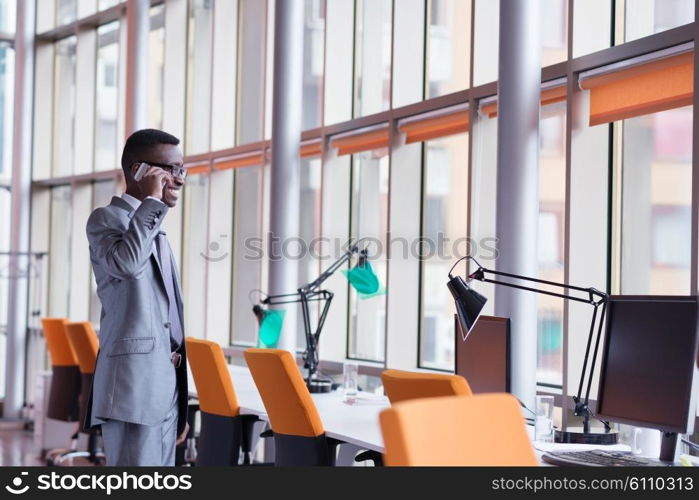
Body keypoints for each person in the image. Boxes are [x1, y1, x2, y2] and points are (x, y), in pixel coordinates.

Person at [85, 129, 189, 466]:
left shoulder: (155, 229)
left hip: (166, 384)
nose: (179, 180)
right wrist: (151, 202)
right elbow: (127, 265)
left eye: (181, 169)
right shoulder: (106, 219)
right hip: (133, 386)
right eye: (170, 170)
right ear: (138, 170)